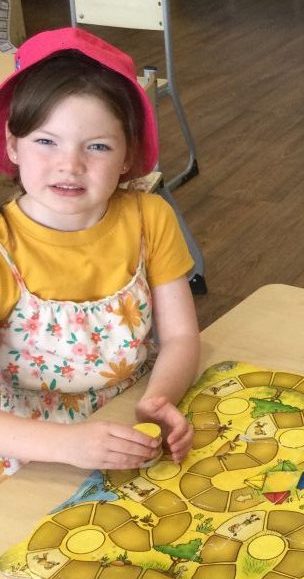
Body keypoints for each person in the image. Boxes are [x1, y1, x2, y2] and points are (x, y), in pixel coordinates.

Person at [0, 28, 199, 476]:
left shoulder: (150, 218)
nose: (70, 164)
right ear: (13, 145)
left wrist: (158, 400)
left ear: (128, 155)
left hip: (124, 428)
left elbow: (182, 338)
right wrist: (69, 445)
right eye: (46, 141)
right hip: (29, 453)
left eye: (98, 146)